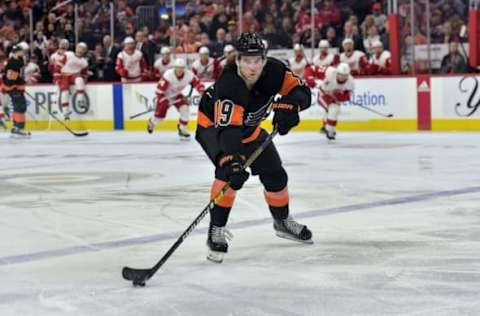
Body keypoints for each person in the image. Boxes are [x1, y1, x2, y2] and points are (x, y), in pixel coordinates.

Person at [195, 32, 313, 263]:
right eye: (247, 60)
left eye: (257, 60)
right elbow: (228, 131)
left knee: (276, 175)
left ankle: (282, 221)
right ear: (237, 60)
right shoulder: (229, 85)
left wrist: (292, 106)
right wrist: (233, 159)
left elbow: (303, 92)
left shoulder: (275, 72)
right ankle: (216, 229)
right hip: (213, 129)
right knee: (228, 175)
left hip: (249, 130)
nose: (253, 67)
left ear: (265, 59)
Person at [147, 58, 205, 140]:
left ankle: (182, 129)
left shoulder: (189, 75)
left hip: (177, 96)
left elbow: (197, 83)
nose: (180, 70)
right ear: (174, 67)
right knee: (159, 119)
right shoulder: (168, 75)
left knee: (185, 109)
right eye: (178, 67)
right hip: (165, 97)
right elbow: (159, 91)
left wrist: (201, 91)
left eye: (182, 68)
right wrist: (163, 100)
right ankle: (152, 122)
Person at [318, 63, 354, 140]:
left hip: (335, 99)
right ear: (337, 73)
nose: (342, 77)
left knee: (334, 110)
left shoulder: (351, 82)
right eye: (341, 74)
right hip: (323, 96)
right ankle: (329, 130)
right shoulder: (330, 74)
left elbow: (347, 97)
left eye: (345, 75)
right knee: (333, 109)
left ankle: (326, 127)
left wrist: (340, 96)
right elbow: (323, 89)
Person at [57, 42, 89, 121]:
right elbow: (59, 64)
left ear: (84, 51)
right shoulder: (69, 54)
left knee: (79, 80)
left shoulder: (84, 62)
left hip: (74, 76)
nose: (80, 50)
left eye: (82, 49)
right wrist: (57, 78)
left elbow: (85, 75)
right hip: (64, 75)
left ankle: (80, 101)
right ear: (76, 48)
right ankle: (65, 113)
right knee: (65, 93)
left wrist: (83, 81)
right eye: (79, 47)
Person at [3, 45, 29, 137]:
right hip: (15, 89)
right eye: (21, 51)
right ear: (16, 52)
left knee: (18, 107)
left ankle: (15, 127)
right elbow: (10, 78)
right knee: (20, 107)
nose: (23, 52)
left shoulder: (18, 61)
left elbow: (18, 76)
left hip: (18, 88)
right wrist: (14, 87)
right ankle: (19, 128)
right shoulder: (13, 63)